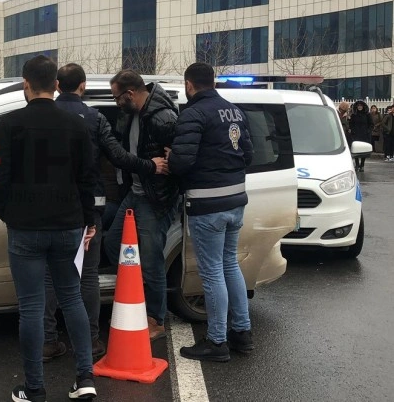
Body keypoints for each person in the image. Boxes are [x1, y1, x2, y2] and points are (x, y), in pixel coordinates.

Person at [0, 55, 97, 402]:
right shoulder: (76, 125)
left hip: (25, 228)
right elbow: (87, 179)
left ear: (26, 84)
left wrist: (7, 213)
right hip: (68, 225)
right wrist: (89, 220)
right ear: (56, 85)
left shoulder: (10, 125)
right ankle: (85, 378)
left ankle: (34, 388)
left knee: (32, 307)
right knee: (72, 298)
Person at [43, 63, 159, 363]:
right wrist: (150, 165)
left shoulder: (42, 116)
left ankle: (48, 340)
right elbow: (118, 157)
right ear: (82, 86)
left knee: (51, 276)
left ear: (58, 86)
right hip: (88, 207)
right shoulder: (94, 118)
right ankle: (91, 340)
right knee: (88, 275)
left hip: (50, 207)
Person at [167, 62, 254, 362]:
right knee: (229, 264)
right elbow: (248, 155)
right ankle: (242, 332)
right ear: (213, 82)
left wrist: (172, 156)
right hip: (235, 201)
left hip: (207, 205)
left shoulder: (193, 114)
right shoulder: (235, 111)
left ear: (189, 85)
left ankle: (217, 341)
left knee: (213, 271)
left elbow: (181, 163)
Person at [104, 69, 179, 341]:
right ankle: (135, 297)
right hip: (135, 192)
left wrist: (172, 161)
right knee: (113, 243)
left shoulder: (163, 117)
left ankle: (156, 319)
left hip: (155, 198)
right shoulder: (132, 114)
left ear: (130, 93)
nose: (116, 103)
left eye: (117, 97)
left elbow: (182, 159)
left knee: (151, 259)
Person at [349, 100, 373, 171]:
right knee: (356, 149)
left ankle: (362, 165)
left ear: (363, 106)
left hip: (364, 135)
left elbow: (371, 124)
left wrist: (368, 131)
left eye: (361, 106)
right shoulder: (354, 115)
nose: (359, 107)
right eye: (358, 106)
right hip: (356, 134)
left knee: (363, 150)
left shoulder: (367, 115)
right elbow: (351, 124)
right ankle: (357, 165)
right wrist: (353, 130)